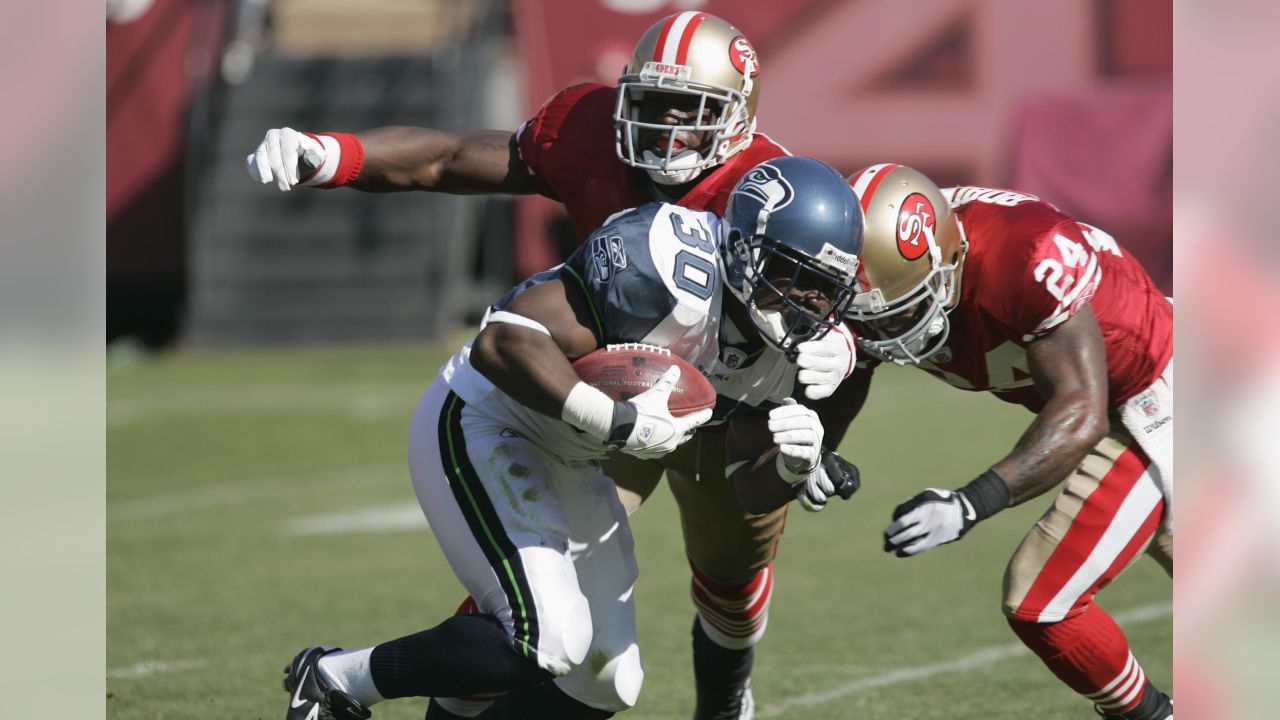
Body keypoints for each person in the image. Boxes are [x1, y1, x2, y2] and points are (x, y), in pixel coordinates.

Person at [248, 13, 862, 719]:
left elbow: (832, 294)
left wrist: (821, 397)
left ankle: (724, 701)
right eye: (650, 105)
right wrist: (335, 155)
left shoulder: (774, 201)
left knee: (637, 652)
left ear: (736, 120)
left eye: (686, 114)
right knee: (540, 623)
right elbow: (454, 165)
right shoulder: (632, 205)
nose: (662, 130)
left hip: (703, 405)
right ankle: (353, 681)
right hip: (569, 396)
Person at [836, 164, 1172, 720]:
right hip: (1109, 405)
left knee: (1043, 601)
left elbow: (1082, 409)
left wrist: (971, 503)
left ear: (947, 261)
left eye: (904, 310)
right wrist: (821, 451)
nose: (888, 334)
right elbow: (856, 356)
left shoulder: (1026, 255)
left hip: (1151, 398)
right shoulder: (886, 263)